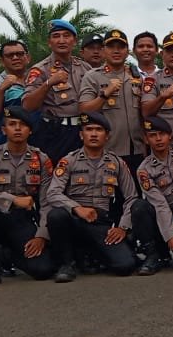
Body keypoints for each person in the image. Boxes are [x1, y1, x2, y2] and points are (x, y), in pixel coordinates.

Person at [43, 113, 158, 282]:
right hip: (74, 220)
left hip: (100, 223)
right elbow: (53, 193)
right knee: (56, 216)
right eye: (89, 130)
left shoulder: (117, 163)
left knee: (125, 266)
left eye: (99, 130)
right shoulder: (69, 161)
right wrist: (76, 208)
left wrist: (122, 227)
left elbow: (131, 197)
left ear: (107, 136)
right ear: (81, 135)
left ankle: (93, 253)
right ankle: (66, 264)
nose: (94, 134)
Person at [0, 107, 58, 287]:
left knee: (43, 270)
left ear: (30, 131)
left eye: (23, 125)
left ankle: (7, 255)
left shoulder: (41, 159)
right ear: (3, 130)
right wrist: (12, 199)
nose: (17, 129)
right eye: (12, 124)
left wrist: (41, 236)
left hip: (20, 221)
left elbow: (48, 201)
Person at [23, 19, 91, 162]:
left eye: (66, 35)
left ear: (74, 41)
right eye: (56, 36)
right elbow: (28, 105)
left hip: (83, 131)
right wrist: (48, 83)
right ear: (49, 42)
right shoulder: (40, 69)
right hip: (55, 133)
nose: (61, 40)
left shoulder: (85, 68)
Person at [78, 30, 146, 171]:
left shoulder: (137, 77)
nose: (116, 51)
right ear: (103, 50)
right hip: (107, 152)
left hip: (138, 150)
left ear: (127, 51)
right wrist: (105, 94)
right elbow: (84, 110)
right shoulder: (92, 77)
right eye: (111, 47)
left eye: (121, 47)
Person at [130, 117, 173, 275]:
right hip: (161, 217)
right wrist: (170, 237)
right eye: (152, 135)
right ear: (146, 140)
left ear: (170, 136)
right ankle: (153, 254)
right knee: (139, 207)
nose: (158, 139)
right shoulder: (144, 169)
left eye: (162, 134)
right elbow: (160, 204)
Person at [0, 40, 29, 148]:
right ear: (2, 61)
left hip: (30, 146)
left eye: (19, 54)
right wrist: (1, 90)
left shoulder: (36, 80)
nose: (15, 58)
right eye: (10, 55)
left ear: (28, 58)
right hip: (3, 148)